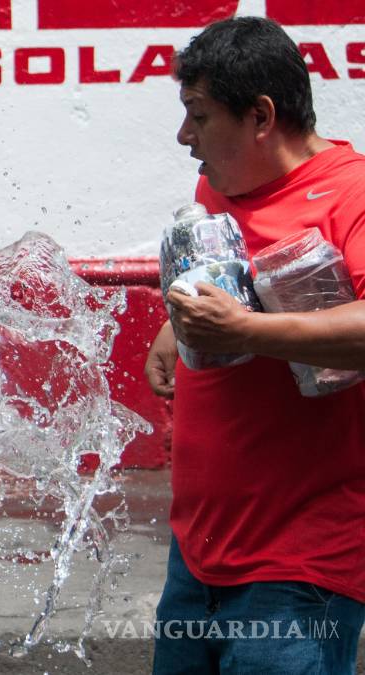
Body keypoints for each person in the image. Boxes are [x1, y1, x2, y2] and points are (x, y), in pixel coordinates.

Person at [144, 16, 365, 675]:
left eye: (199, 116)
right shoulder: (220, 184)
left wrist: (245, 333)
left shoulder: (352, 194)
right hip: (198, 550)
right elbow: (229, 272)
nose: (185, 137)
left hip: (301, 566)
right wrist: (174, 319)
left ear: (262, 116)